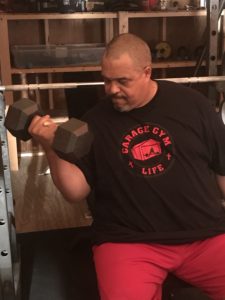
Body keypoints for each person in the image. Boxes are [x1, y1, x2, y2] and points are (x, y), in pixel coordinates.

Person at [28, 33, 225, 300]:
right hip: (129, 241)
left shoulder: (194, 106)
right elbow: (75, 191)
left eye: (122, 81)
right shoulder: (93, 122)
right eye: (107, 80)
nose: (111, 90)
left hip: (204, 236)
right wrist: (49, 145)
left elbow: (223, 170)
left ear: (147, 72)